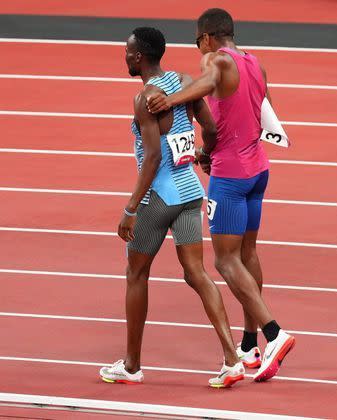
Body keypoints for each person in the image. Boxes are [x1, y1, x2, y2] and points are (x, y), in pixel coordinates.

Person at [147, 9, 295, 382]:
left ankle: (275, 334)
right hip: (258, 170)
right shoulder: (254, 64)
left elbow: (208, 81)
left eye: (197, 41)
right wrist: (210, 151)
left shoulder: (216, 60)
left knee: (225, 262)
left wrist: (171, 100)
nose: (199, 50)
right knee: (248, 254)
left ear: (209, 38)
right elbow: (265, 114)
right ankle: (249, 345)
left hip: (230, 178)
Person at [99, 27, 245, 389]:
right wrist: (203, 155)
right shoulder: (183, 82)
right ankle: (232, 358)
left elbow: (150, 160)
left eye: (128, 51)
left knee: (136, 274)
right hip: (190, 191)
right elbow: (209, 127)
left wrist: (131, 208)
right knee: (196, 272)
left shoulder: (145, 98)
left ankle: (132, 366)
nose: (125, 57)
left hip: (160, 197)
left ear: (139, 57)